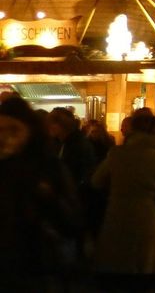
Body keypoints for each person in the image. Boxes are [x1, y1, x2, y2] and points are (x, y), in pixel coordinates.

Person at [0, 96, 83, 291]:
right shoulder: (44, 164)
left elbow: (72, 219)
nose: (6, 137)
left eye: (13, 130)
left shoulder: (46, 167)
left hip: (35, 264)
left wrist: (48, 197)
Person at [91, 109, 155, 292]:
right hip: (149, 224)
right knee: (144, 278)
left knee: (117, 278)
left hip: (116, 218)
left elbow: (96, 181)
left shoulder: (116, 155)